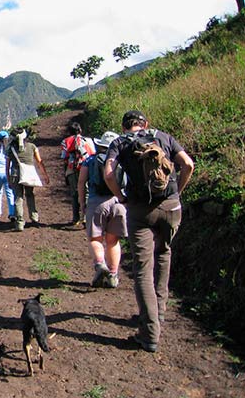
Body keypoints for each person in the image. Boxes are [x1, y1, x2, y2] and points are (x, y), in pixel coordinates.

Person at [104, 110, 194, 353]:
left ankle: (149, 332)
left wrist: (120, 196)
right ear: (146, 123)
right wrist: (178, 193)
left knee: (143, 269)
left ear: (124, 127)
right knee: (164, 253)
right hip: (171, 206)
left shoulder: (120, 143)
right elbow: (188, 164)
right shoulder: (164, 137)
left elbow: (108, 173)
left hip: (140, 210)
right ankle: (161, 311)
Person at [77, 131, 126, 289]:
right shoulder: (122, 161)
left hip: (96, 202)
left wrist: (82, 203)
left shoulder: (90, 160)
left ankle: (100, 265)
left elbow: (81, 183)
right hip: (118, 202)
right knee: (113, 241)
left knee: (95, 239)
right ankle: (113, 275)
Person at [7, 127, 50, 231]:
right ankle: (34, 217)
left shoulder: (10, 148)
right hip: (29, 174)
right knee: (30, 195)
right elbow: (39, 161)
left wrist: (8, 179)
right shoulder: (32, 146)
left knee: (18, 197)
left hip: (15, 174)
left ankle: (20, 222)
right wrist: (45, 175)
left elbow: (7, 166)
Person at [61, 122, 95, 227]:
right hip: (86, 167)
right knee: (87, 192)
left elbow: (64, 157)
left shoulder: (65, 141)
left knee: (74, 193)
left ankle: (75, 218)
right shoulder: (88, 140)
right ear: (80, 130)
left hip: (72, 169)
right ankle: (86, 217)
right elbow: (93, 153)